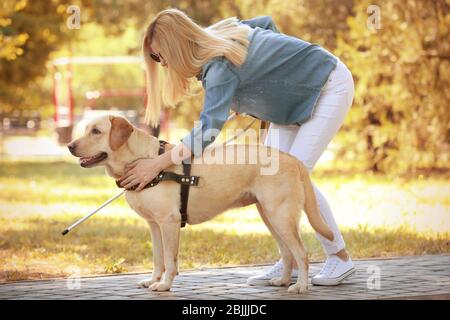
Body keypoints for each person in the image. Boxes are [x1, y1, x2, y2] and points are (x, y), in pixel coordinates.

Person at [119, 8, 355, 286]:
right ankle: (288, 262)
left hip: (327, 84)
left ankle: (339, 258)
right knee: (265, 180)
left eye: (160, 57)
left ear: (178, 48)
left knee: (291, 175)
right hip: (290, 103)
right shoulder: (216, 35)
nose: (161, 64)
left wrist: (157, 164)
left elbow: (207, 131)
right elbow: (265, 23)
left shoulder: (219, 66)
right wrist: (270, 82)